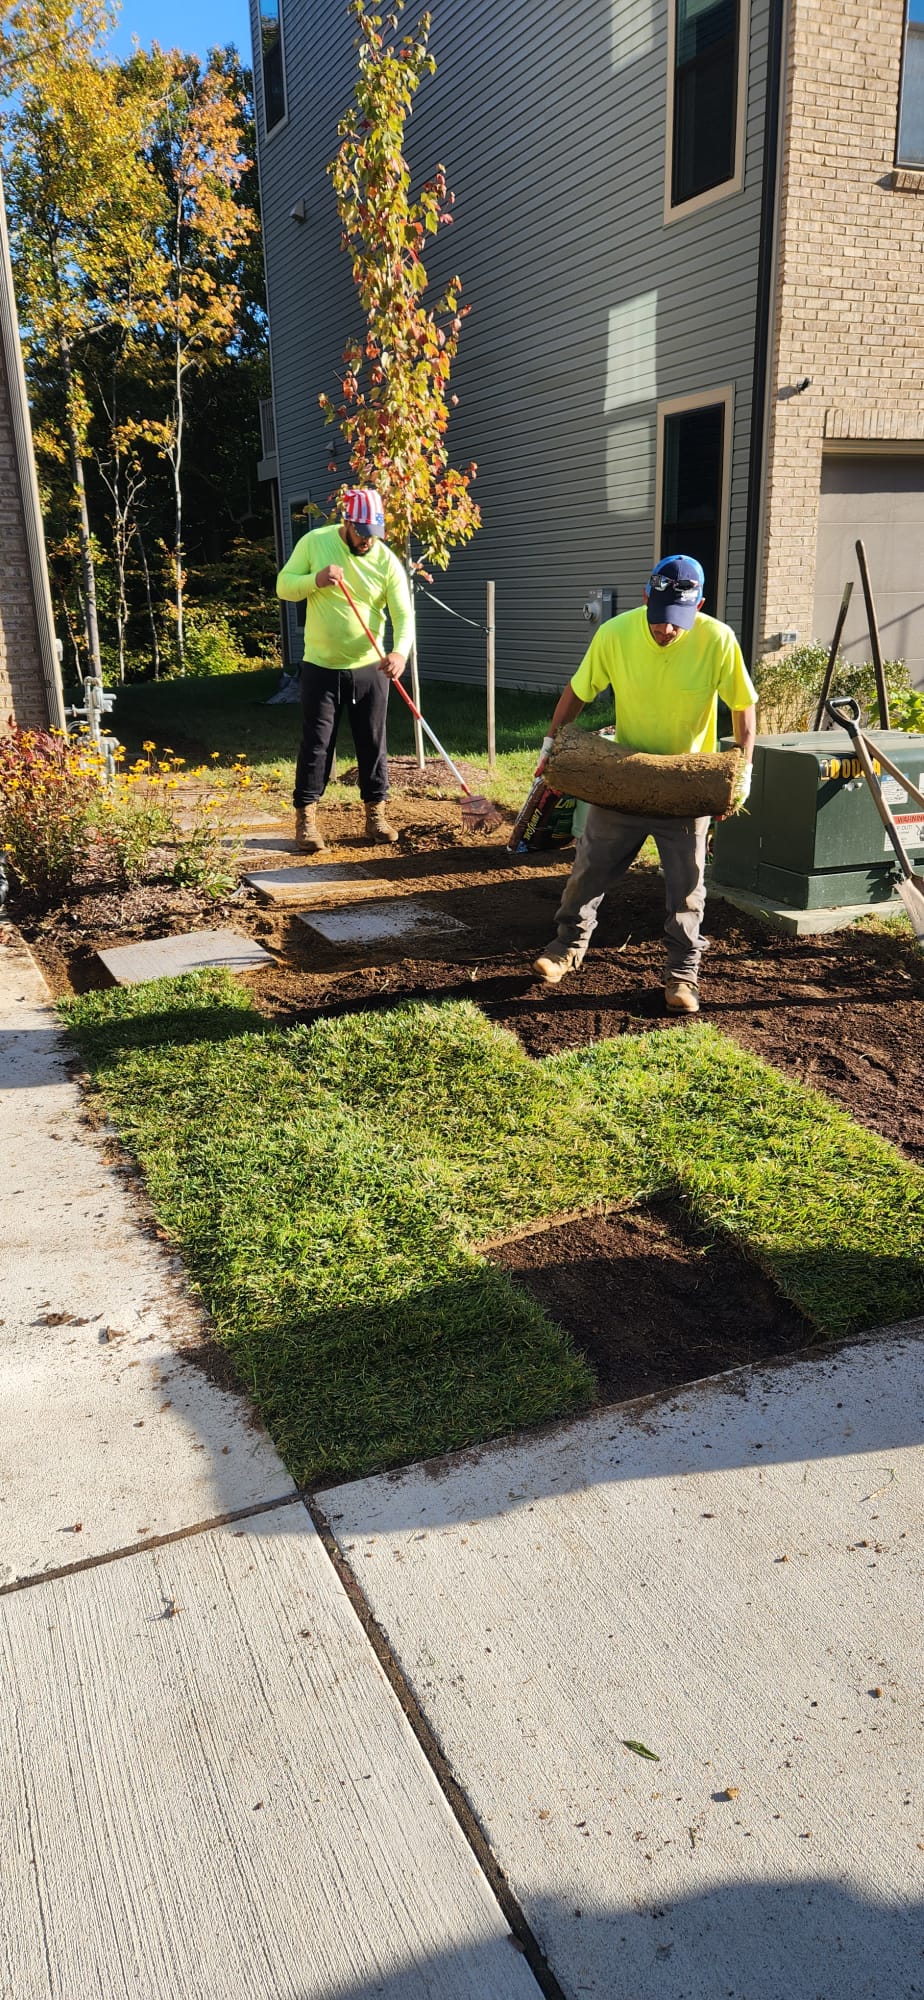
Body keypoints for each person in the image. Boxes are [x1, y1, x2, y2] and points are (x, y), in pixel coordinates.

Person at [532, 555, 757, 1015]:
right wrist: (550, 744)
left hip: (684, 783)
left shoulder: (718, 639)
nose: (667, 631)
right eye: (659, 619)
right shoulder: (614, 634)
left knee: (687, 888)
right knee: (589, 869)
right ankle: (565, 949)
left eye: (678, 622)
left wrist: (743, 768)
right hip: (624, 775)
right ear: (644, 599)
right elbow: (578, 691)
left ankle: (682, 974)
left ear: (699, 606)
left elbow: (743, 707)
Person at [276, 487, 415, 852]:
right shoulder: (314, 542)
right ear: (348, 523)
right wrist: (316, 580)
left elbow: (403, 616)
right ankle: (306, 821)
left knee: (372, 741)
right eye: (362, 533)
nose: (368, 541)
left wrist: (399, 653)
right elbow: (283, 587)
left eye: (374, 534)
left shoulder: (385, 561)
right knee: (317, 744)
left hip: (369, 668)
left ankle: (376, 816)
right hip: (320, 667)